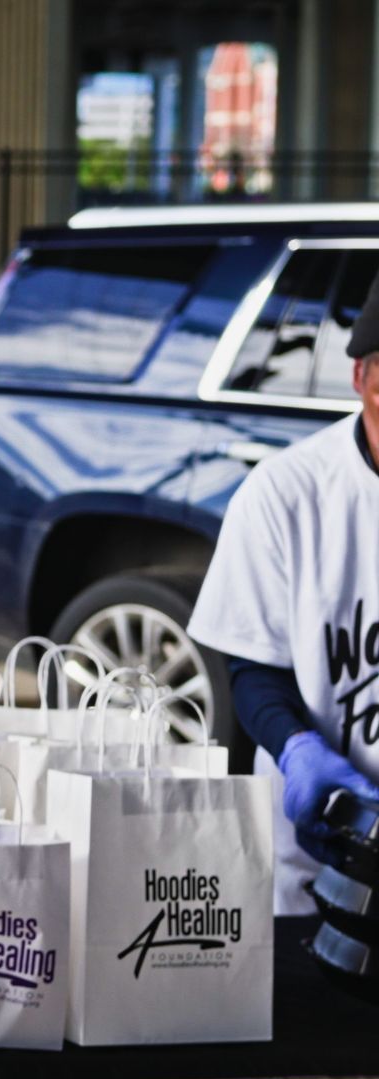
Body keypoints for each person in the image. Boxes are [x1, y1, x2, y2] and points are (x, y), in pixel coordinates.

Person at [190, 270, 379, 915]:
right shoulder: (286, 495)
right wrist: (298, 750)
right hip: (325, 857)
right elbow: (252, 666)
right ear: (361, 380)